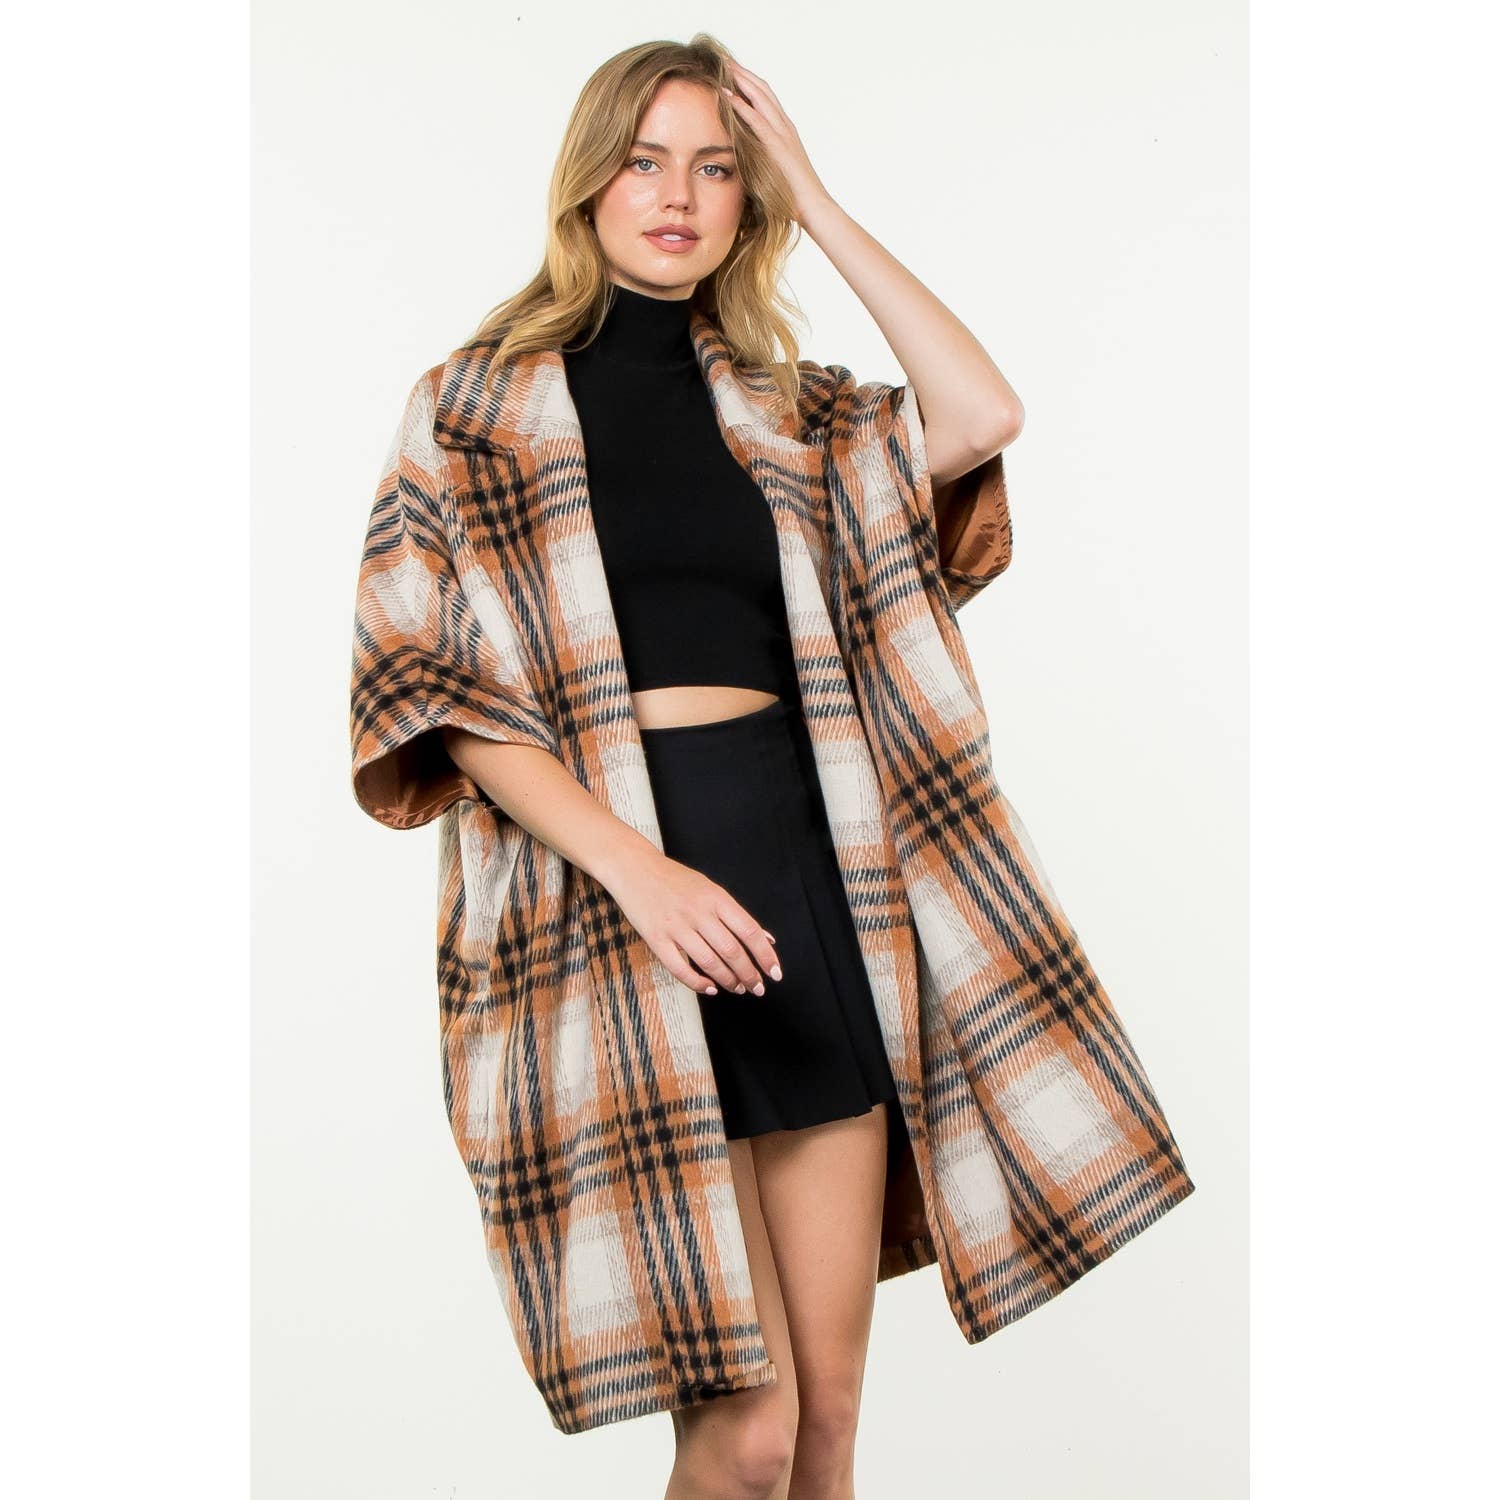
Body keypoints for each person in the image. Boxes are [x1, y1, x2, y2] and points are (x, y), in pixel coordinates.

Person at [351, 31, 1194, 1497]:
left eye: (718, 168)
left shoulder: (795, 416)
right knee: (741, 1433)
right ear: (588, 180)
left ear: (753, 200)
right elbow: (430, 688)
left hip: (806, 890)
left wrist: (820, 194)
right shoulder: (471, 408)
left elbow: (982, 415)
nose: (678, 196)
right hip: (611, 912)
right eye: (644, 161)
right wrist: (642, 875)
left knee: (827, 1424)